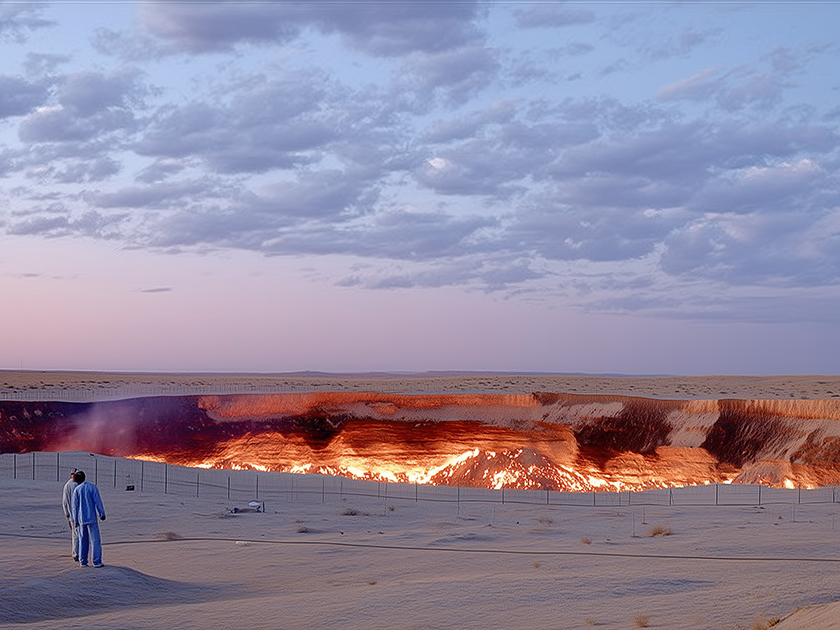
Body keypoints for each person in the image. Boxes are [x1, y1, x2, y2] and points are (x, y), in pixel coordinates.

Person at [71, 470, 107, 568]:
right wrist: (102, 513)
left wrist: (75, 520)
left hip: (81, 519)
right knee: (95, 540)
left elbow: (74, 507)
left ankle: (83, 562)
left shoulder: (77, 490)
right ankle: (97, 562)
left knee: (83, 540)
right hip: (92, 518)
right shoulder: (92, 487)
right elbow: (98, 501)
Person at [61, 468, 80, 562]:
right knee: (80, 535)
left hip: (71, 517)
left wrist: (67, 514)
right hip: (78, 516)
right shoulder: (78, 485)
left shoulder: (66, 485)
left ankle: (75, 553)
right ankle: (78, 554)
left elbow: (64, 502)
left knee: (74, 534)